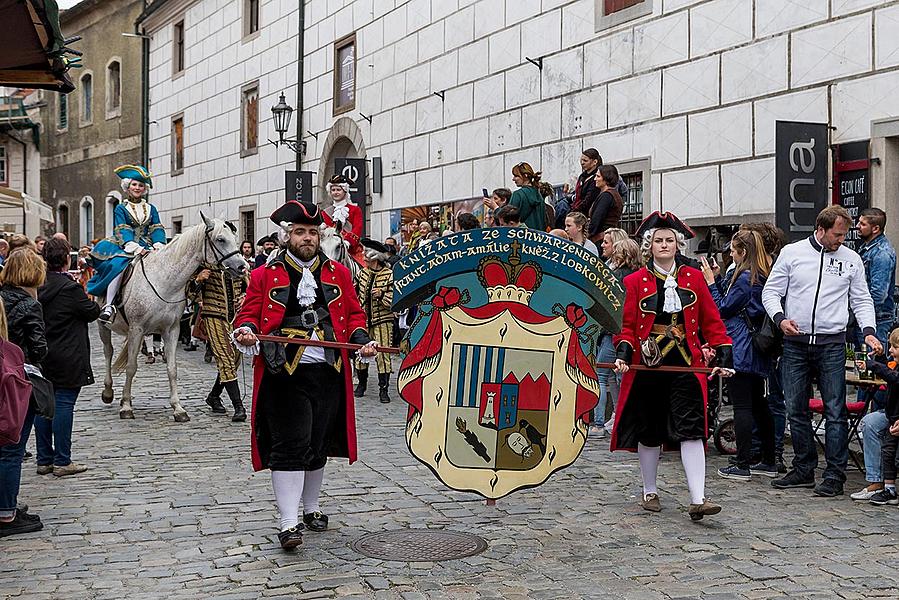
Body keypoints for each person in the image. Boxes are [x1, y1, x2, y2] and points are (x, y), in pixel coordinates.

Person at [232, 200, 377, 550]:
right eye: (300, 232)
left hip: (329, 369)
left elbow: (355, 315)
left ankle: (311, 508)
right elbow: (250, 312)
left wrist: (361, 340)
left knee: (317, 442)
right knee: (290, 444)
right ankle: (288, 522)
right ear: (288, 236)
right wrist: (247, 330)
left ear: (320, 235)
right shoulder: (264, 275)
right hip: (284, 372)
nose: (307, 238)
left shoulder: (339, 273)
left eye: (313, 232)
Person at [612, 211, 734, 520]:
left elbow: (711, 319)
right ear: (648, 246)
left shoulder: (693, 278)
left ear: (677, 245)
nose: (663, 245)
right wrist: (624, 354)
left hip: (685, 367)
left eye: (669, 240)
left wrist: (722, 352)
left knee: (692, 429)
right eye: (657, 240)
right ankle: (649, 490)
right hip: (648, 368)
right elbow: (625, 327)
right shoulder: (634, 281)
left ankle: (698, 498)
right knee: (650, 430)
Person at [762, 205, 880, 497]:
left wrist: (868, 331)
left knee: (835, 410)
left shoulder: (851, 259)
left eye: (844, 235)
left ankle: (835, 474)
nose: (841, 240)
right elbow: (771, 291)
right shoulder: (793, 253)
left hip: (832, 342)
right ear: (821, 229)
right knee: (796, 409)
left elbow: (862, 299)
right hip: (796, 342)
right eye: (837, 234)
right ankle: (803, 468)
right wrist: (780, 319)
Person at [701, 230, 776, 480]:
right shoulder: (760, 275)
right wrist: (721, 279)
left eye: (733, 250)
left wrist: (711, 283)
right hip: (754, 347)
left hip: (741, 346)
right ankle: (768, 459)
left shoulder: (746, 278)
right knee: (759, 405)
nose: (730, 254)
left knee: (743, 405)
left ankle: (743, 463)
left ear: (743, 252)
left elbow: (721, 307)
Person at [33, 238, 101, 477]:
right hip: (68, 354)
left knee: (42, 407)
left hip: (42, 354)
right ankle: (62, 460)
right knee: (63, 405)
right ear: (66, 259)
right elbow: (92, 311)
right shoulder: (70, 288)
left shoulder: (37, 285)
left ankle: (44, 459)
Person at [0, 248, 48, 537]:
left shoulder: (2, 295)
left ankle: (7, 505)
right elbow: (40, 348)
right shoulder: (30, 305)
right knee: (12, 448)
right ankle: (6, 512)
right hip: (19, 377)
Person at [88, 165, 166, 324]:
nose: (137, 188)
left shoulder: (151, 208)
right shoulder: (121, 208)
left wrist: (158, 243)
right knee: (118, 266)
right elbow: (122, 229)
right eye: (134, 184)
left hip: (148, 243)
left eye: (141, 185)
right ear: (127, 187)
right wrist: (135, 247)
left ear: (145, 188)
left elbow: (156, 227)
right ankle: (109, 305)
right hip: (125, 244)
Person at [594, 238, 642, 436]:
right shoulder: (641, 276)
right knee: (622, 377)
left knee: (602, 376)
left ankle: (599, 423)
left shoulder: (614, 277)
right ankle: (623, 419)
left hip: (613, 332)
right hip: (632, 333)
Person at [189, 263, 247, 422]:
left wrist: (243, 297)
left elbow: (248, 288)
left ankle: (214, 396)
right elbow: (190, 294)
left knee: (235, 359)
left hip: (235, 317)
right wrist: (198, 280)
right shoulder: (203, 265)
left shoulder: (237, 262)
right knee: (225, 358)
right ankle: (238, 406)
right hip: (213, 315)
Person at [858, 330, 899, 506]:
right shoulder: (895, 364)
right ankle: (880, 484)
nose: (891, 350)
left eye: (895, 347)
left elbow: (894, 378)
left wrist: (872, 365)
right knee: (870, 423)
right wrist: (880, 360)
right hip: (893, 415)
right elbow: (889, 374)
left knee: (891, 451)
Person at [353, 239, 394, 403]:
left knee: (383, 354)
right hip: (364, 320)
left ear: (375, 257)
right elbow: (354, 295)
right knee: (360, 352)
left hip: (383, 320)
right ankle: (361, 384)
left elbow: (396, 300)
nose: (364, 257)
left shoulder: (389, 275)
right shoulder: (362, 273)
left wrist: (382, 296)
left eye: (366, 254)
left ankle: (383, 389)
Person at [321, 175, 365, 266]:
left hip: (352, 249)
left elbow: (358, 228)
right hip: (330, 248)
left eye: (338, 190)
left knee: (364, 268)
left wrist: (348, 242)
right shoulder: (325, 213)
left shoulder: (355, 210)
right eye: (333, 190)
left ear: (345, 191)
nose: (335, 192)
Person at [587, 165, 623, 242]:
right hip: (609, 238)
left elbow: (596, 220)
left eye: (598, 176)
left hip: (601, 239)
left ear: (606, 178)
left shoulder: (607, 196)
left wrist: (587, 236)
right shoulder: (613, 194)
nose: (595, 179)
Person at [508, 163, 546, 230]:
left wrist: (495, 208)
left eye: (516, 176)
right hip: (539, 237)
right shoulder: (539, 195)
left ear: (525, 176)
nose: (513, 179)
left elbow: (508, 218)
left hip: (522, 237)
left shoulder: (518, 194)